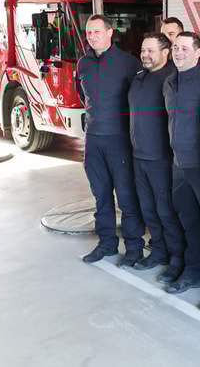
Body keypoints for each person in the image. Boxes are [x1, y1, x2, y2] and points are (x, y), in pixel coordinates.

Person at [76, 14, 146, 266]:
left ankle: (134, 247)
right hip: (93, 140)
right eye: (88, 32)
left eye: (97, 31)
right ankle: (107, 243)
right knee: (101, 195)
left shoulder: (128, 63)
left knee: (126, 196)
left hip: (120, 140)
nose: (92, 36)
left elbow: (138, 99)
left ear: (109, 32)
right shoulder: (83, 63)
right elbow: (81, 94)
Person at [163, 32, 200, 298]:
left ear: (198, 53)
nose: (179, 52)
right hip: (179, 165)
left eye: (185, 48)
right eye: (176, 47)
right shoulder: (170, 82)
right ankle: (195, 272)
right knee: (189, 221)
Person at [127, 33, 186, 280]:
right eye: (143, 50)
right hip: (138, 157)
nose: (145, 55)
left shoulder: (171, 79)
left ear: (165, 53)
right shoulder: (138, 78)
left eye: (151, 50)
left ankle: (177, 259)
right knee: (149, 210)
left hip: (161, 158)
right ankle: (159, 252)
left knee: (166, 211)